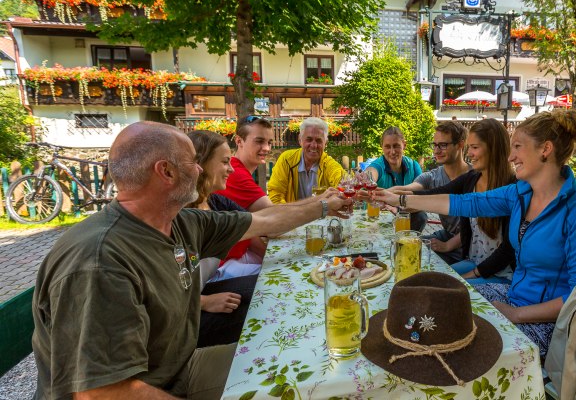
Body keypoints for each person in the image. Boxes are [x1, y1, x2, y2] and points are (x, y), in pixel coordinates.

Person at [32, 121, 351, 399]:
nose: (200, 169)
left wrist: (326, 205)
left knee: (308, 365)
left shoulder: (179, 221)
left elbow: (266, 221)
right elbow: (102, 392)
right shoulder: (100, 261)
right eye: (192, 162)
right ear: (166, 171)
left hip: (179, 367)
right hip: (154, 386)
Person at [371, 110, 576, 355]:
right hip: (514, 297)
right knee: (436, 302)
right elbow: (464, 202)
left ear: (545, 149)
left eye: (517, 146)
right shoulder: (520, 194)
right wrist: (399, 199)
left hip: (552, 326)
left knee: (459, 345)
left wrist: (517, 314)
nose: (510, 157)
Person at [415, 119, 516, 284]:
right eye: (469, 147)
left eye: (475, 147)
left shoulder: (513, 187)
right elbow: (436, 193)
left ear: (495, 149)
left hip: (500, 273)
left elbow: (507, 251)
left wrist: (471, 275)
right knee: (429, 280)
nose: (469, 153)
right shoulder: (472, 179)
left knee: (447, 291)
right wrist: (391, 196)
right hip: (473, 262)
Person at [186, 130, 260, 348]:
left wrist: (322, 204)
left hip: (197, 293)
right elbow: (160, 292)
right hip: (183, 316)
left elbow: (264, 220)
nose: (231, 169)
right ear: (201, 163)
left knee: (267, 290)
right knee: (258, 311)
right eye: (225, 162)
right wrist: (203, 302)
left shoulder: (216, 202)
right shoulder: (179, 213)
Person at [387, 121, 472, 264]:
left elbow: (476, 227)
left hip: (469, 247)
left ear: (460, 145)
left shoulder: (475, 178)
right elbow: (409, 189)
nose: (436, 151)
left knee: (418, 262)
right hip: (447, 236)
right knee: (402, 249)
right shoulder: (432, 176)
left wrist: (447, 246)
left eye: (443, 145)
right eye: (435, 145)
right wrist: (381, 193)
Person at [267, 117, 344, 203]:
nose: (314, 145)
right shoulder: (287, 160)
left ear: (325, 143)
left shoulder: (328, 164)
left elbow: (341, 180)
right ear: (300, 140)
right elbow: (275, 194)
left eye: (319, 141)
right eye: (309, 139)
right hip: (291, 214)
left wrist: (352, 183)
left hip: (322, 215)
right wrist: (289, 213)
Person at [365, 127, 425, 231]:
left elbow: (423, 200)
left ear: (404, 145)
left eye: (396, 146)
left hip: (403, 216)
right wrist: (366, 178)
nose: (392, 152)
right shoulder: (379, 165)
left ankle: (407, 242)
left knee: (421, 216)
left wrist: (398, 209)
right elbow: (371, 172)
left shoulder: (414, 166)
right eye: (387, 147)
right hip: (379, 218)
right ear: (382, 147)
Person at [215, 115, 274, 212]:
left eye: (269, 143)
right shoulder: (236, 173)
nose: (267, 148)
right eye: (259, 141)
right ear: (239, 141)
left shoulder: (234, 167)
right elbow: (273, 214)